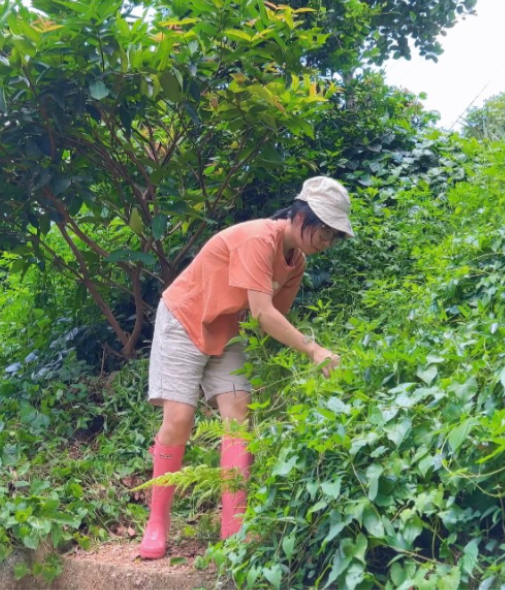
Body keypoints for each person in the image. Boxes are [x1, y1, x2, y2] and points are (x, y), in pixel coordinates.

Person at [138, 176, 354, 559]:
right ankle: (157, 523)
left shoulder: (296, 262)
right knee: (181, 417)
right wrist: (314, 350)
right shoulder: (259, 238)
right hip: (186, 317)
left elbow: (267, 325)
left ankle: (234, 527)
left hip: (231, 330)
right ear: (302, 215)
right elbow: (264, 312)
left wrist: (278, 377)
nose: (327, 241)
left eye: (334, 236)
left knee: (239, 416)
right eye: (325, 230)